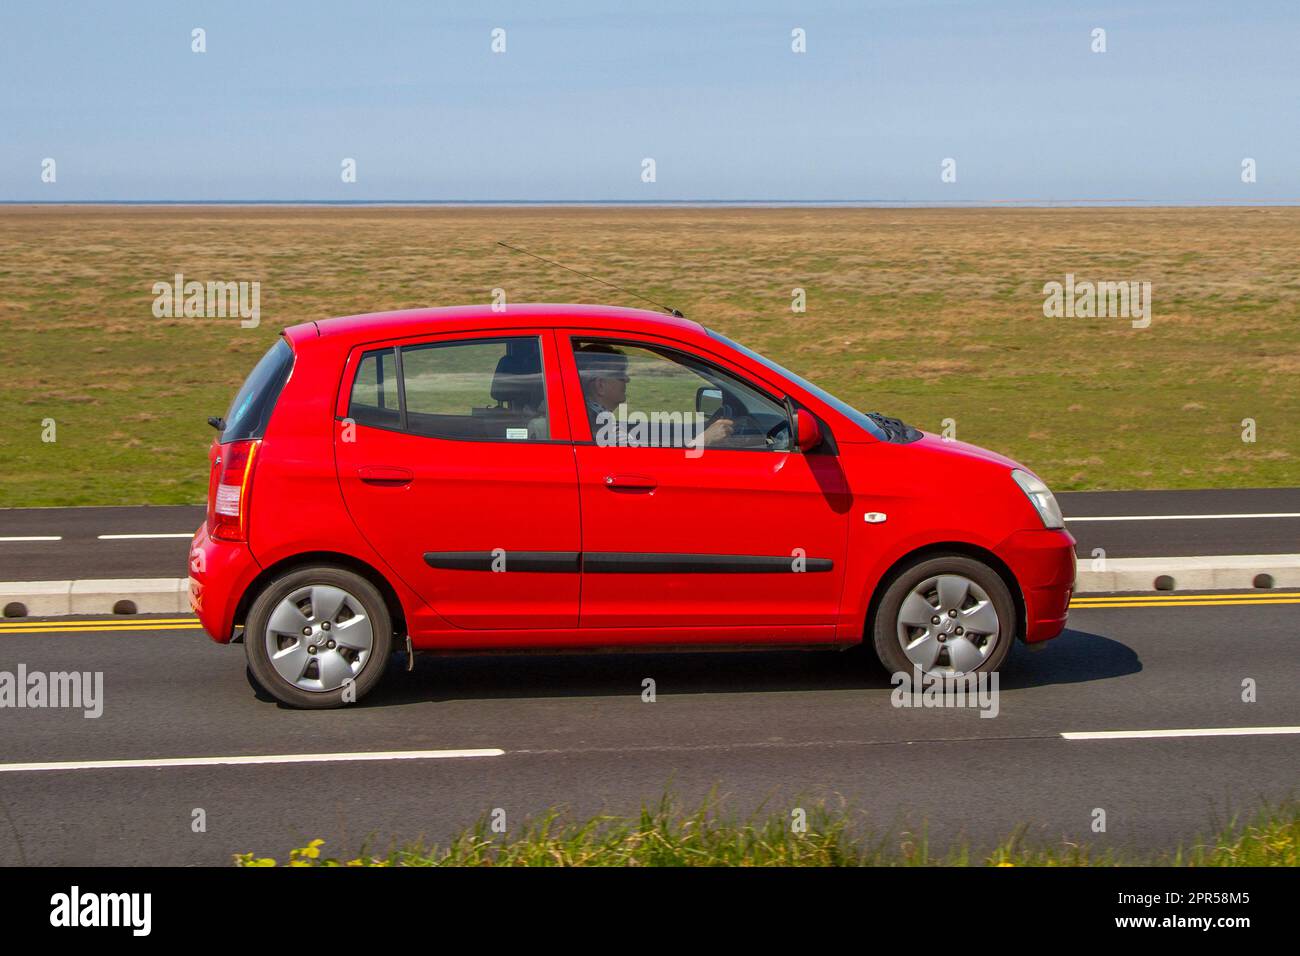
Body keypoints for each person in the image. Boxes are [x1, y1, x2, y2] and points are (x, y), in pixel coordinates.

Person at [574, 343, 735, 448]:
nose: (627, 379)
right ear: (600, 385)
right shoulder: (602, 427)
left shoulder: (595, 419)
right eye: (620, 374)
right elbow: (650, 467)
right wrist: (704, 440)